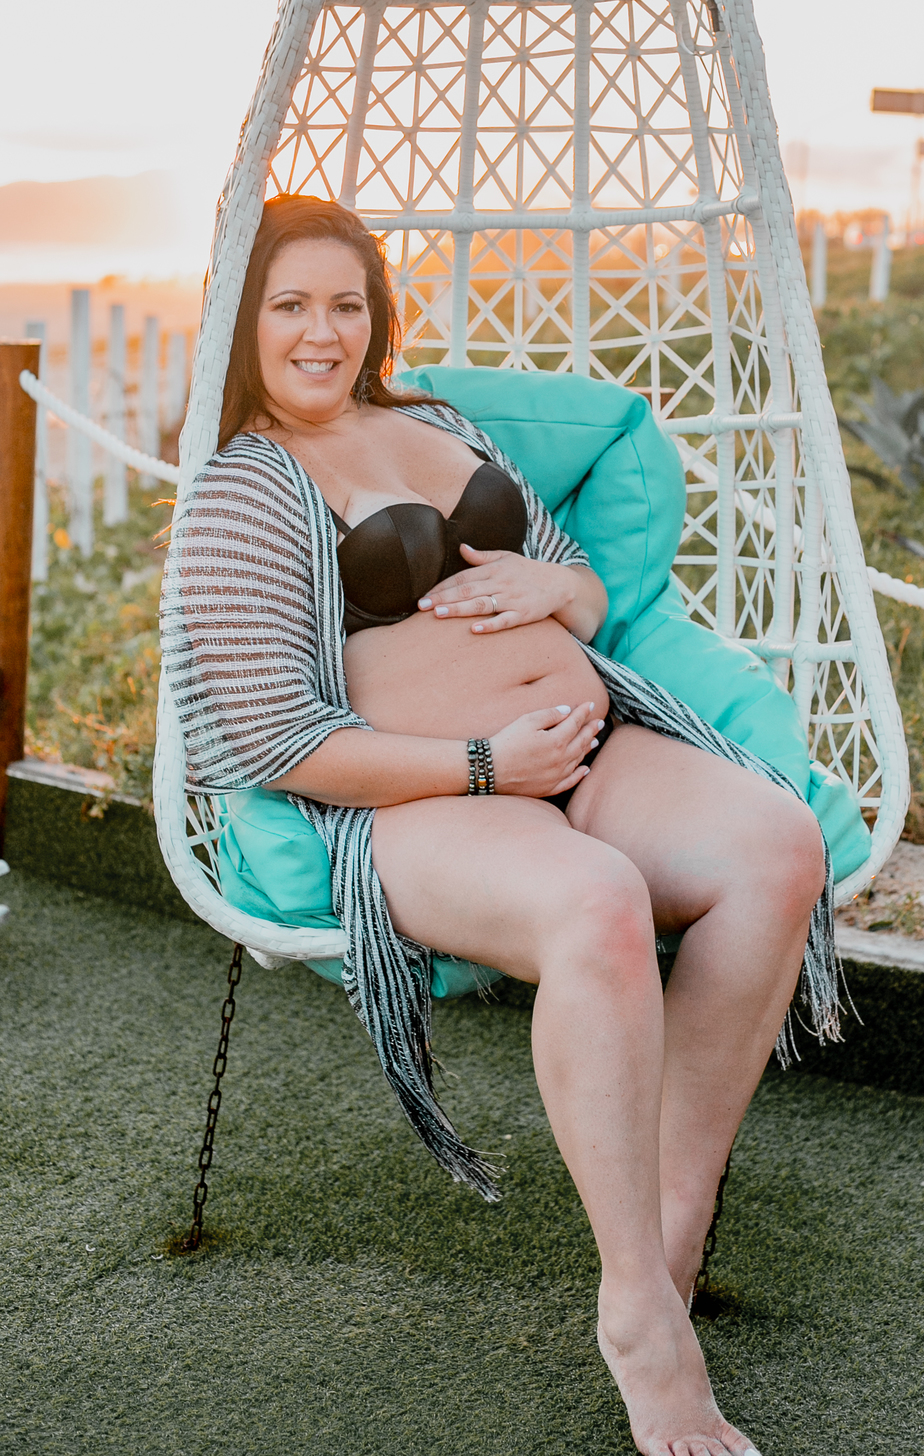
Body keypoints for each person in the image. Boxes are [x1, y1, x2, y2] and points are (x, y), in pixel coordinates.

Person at [161, 194, 836, 1456]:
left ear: (375, 316)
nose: (323, 332)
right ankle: (639, 1322)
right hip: (426, 800)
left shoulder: (437, 422)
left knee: (777, 845)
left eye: (345, 304)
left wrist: (555, 583)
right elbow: (271, 741)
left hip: (589, 747)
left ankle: (665, 1253)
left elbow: (583, 578)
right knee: (598, 905)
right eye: (289, 305)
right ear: (236, 321)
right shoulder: (241, 492)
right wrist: (479, 762)